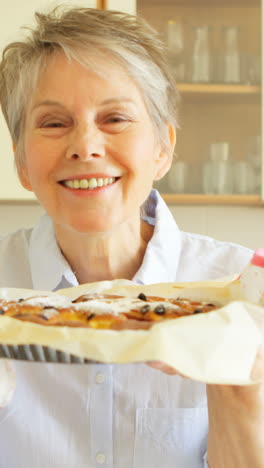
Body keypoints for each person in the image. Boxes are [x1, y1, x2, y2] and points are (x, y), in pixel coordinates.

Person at [0, 6, 263, 468]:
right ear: (21, 162)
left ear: (163, 148)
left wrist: (242, 394)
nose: (85, 145)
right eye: (53, 123)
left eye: (115, 118)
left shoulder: (244, 293)